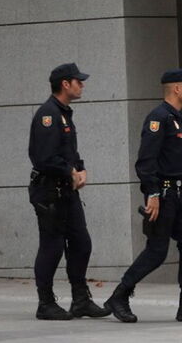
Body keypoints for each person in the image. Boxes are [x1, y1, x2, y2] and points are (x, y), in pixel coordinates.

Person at [104, 69, 182, 323]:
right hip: (164, 195)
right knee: (156, 252)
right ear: (176, 88)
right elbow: (145, 161)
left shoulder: (177, 117)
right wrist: (152, 193)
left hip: (181, 194)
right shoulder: (158, 118)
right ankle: (119, 296)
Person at [28, 62, 110, 320]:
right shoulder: (48, 114)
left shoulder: (64, 113)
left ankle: (80, 299)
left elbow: (68, 152)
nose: (82, 84)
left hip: (67, 191)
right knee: (51, 246)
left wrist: (80, 168)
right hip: (49, 192)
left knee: (81, 243)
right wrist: (69, 171)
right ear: (66, 84)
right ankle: (45, 303)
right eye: (78, 81)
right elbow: (42, 158)